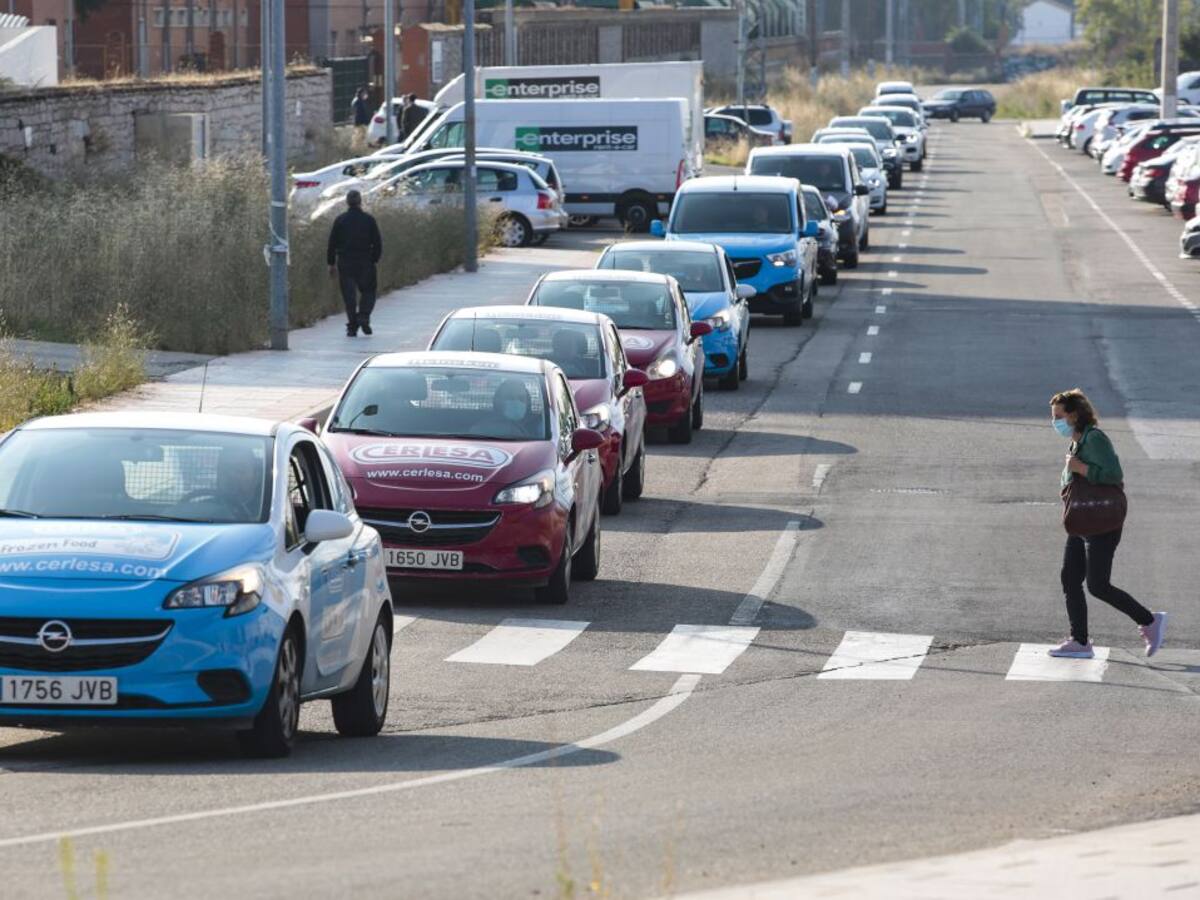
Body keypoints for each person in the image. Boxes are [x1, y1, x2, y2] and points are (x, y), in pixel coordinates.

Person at [1049, 388, 1167, 659]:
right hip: (1082, 520)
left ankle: (1149, 621)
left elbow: (1114, 475)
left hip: (1102, 522)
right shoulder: (1078, 441)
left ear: (1074, 415)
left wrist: (1081, 470)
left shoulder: (1096, 439)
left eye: (1058, 416)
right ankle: (1080, 642)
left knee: (1098, 585)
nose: (1054, 422)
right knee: (1070, 579)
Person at [327, 190, 383, 337]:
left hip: (345, 262)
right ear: (360, 202)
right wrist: (374, 259)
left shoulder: (340, 220)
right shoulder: (369, 220)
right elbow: (377, 242)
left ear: (347, 202)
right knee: (369, 291)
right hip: (365, 260)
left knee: (349, 296)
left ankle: (352, 327)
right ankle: (363, 316)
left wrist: (331, 263)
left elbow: (332, 244)